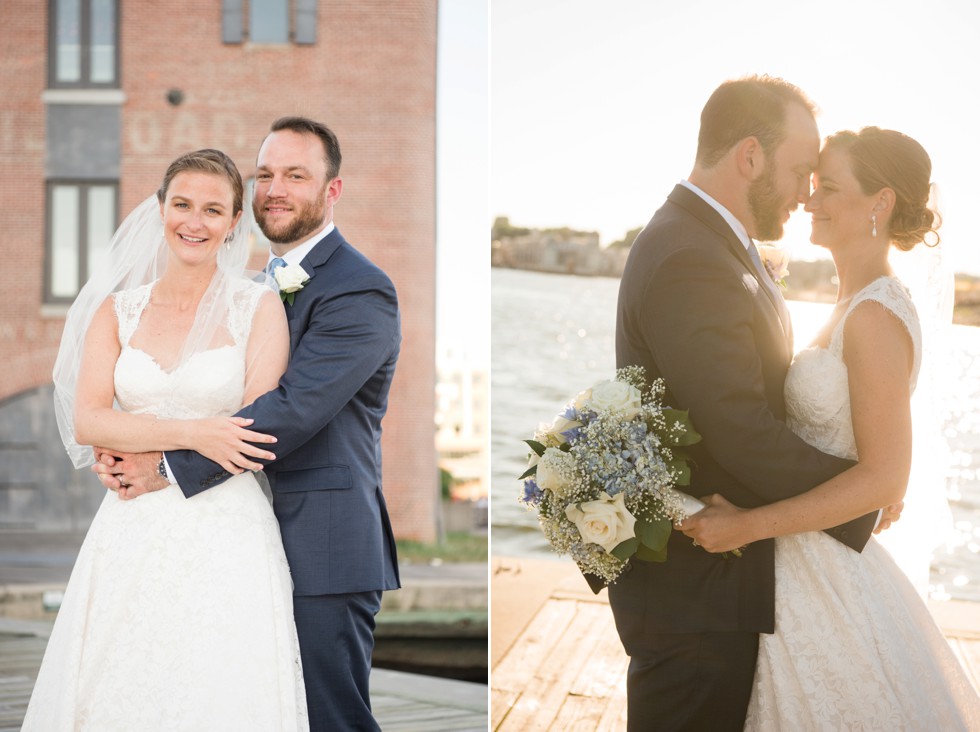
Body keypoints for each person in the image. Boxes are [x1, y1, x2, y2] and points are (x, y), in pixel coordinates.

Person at [92, 117, 402, 732]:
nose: (275, 189)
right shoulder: (249, 294)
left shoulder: (361, 290)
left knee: (328, 717)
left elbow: (291, 411)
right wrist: (122, 442)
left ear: (332, 190)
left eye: (295, 175)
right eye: (264, 174)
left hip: (323, 543)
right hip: (234, 539)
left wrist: (160, 466)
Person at [609, 75, 890, 731]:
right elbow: (739, 430)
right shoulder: (690, 255)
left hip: (715, 574)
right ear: (750, 157)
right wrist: (864, 489)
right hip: (693, 586)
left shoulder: (705, 239)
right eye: (798, 171)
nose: (806, 192)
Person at [679, 126, 980, 728]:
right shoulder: (851, 303)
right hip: (801, 561)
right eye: (811, 186)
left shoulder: (873, 317)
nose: (809, 201)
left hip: (828, 571)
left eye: (829, 188)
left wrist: (747, 525)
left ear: (882, 202)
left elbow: (886, 479)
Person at [24, 149, 308, 729]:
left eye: (212, 209)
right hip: (130, 524)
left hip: (227, 528)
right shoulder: (117, 311)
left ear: (234, 223)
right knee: (117, 678)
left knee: (219, 681)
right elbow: (89, 420)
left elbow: (255, 428)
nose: (194, 222)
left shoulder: (258, 307)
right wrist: (197, 430)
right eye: (182, 204)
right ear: (160, 209)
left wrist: (154, 445)